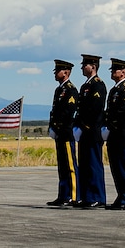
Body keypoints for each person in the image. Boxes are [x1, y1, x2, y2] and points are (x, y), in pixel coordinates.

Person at [72, 54, 108, 208]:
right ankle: (86, 196)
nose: (82, 67)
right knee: (85, 165)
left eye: (84, 65)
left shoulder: (98, 85)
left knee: (93, 165)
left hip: (92, 131)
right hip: (84, 132)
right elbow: (80, 109)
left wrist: (85, 126)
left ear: (93, 66)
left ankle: (97, 197)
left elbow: (95, 110)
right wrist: (77, 125)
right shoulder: (85, 86)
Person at [103, 58, 125, 210]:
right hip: (114, 136)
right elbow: (109, 112)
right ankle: (121, 196)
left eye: (115, 69)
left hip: (123, 136)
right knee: (116, 169)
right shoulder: (114, 90)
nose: (112, 72)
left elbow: (123, 112)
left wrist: (111, 126)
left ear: (123, 72)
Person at [47, 59, 79, 207]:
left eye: (58, 71)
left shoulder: (71, 90)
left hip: (66, 133)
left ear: (66, 72)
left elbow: (68, 112)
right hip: (59, 132)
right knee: (62, 166)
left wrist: (59, 127)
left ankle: (72, 196)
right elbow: (55, 111)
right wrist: (52, 127)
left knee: (70, 166)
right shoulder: (59, 90)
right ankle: (62, 195)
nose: (55, 73)